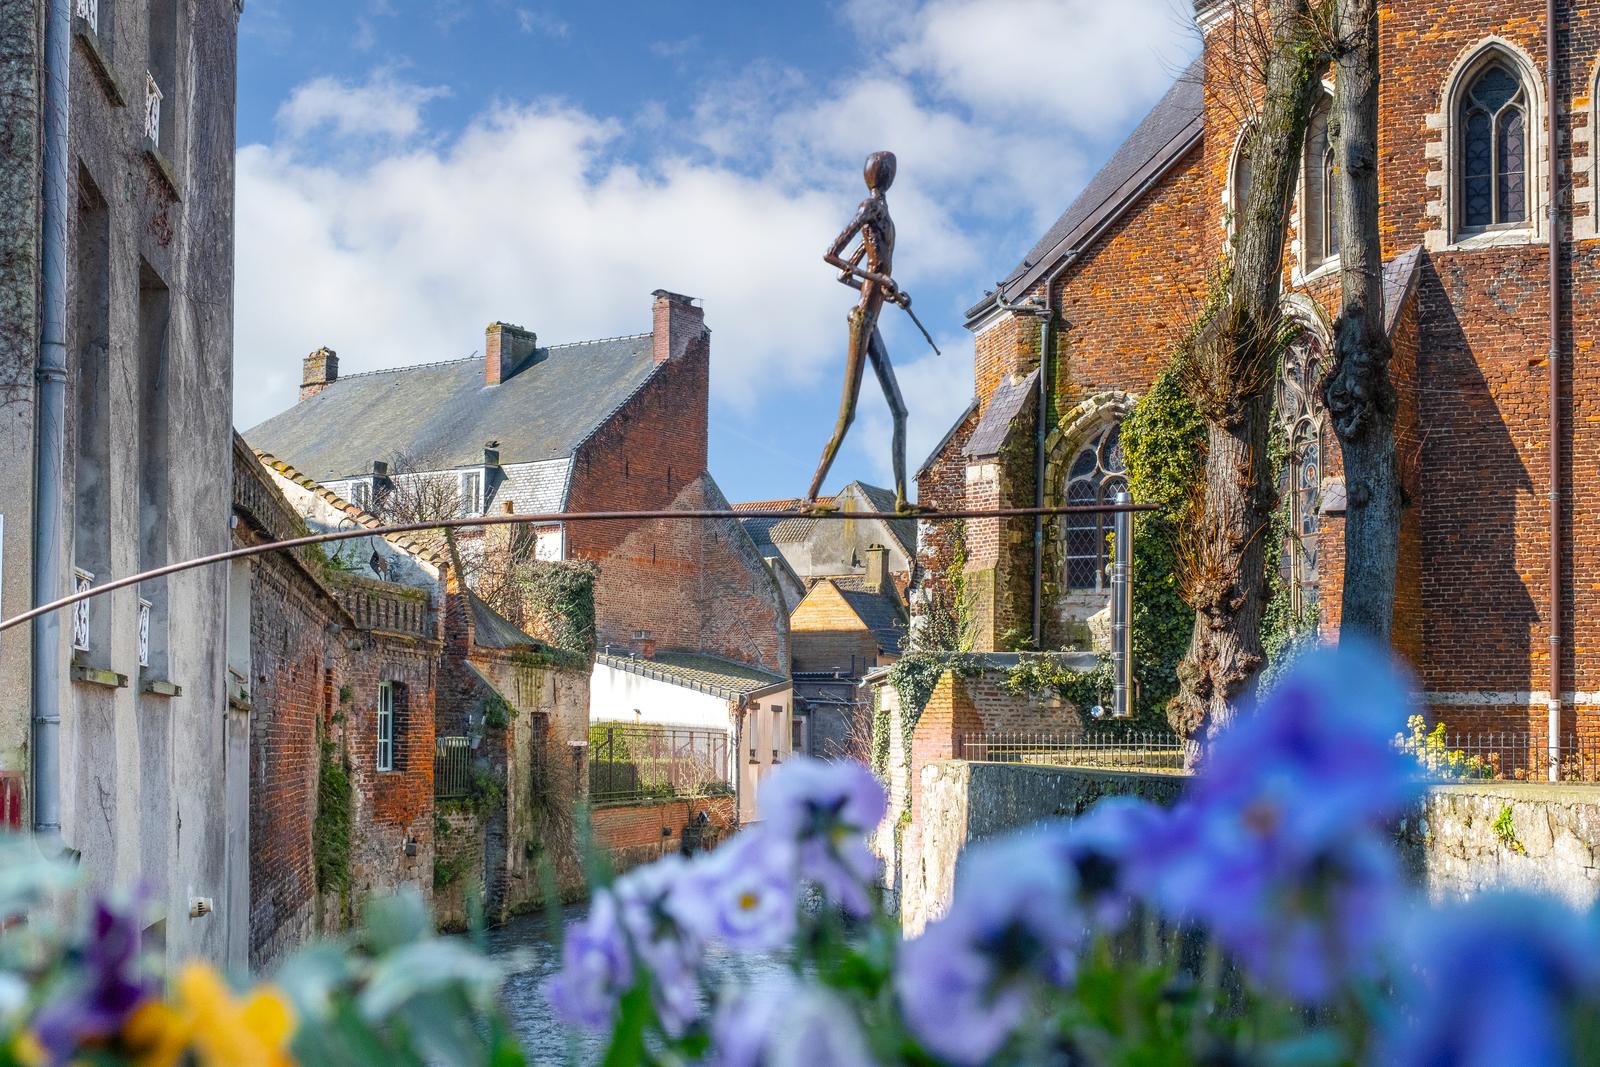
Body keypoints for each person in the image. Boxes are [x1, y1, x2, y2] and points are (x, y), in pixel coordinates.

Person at [806, 150, 914, 514]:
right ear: (885, 175)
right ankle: (809, 499)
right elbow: (831, 256)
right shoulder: (871, 206)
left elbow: (847, 275)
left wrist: (886, 290)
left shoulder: (883, 213)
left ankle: (901, 501)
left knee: (900, 412)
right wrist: (881, 278)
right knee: (846, 416)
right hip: (861, 322)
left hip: (873, 318)